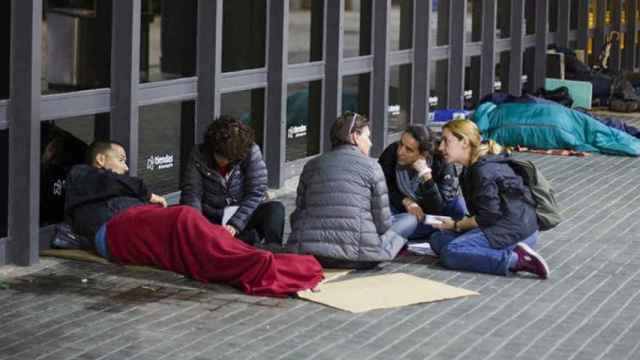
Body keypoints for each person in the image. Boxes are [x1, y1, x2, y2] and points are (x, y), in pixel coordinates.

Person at [64, 141, 323, 297]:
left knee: (196, 236)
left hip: (136, 222)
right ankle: (258, 262)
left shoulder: (113, 185)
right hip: (117, 227)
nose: (126, 166)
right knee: (185, 218)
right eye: (120, 159)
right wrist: (148, 194)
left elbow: (256, 188)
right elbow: (117, 182)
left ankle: (262, 257)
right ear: (100, 159)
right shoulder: (82, 175)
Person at [429, 119, 550, 279]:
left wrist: (457, 225)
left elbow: (488, 216)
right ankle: (488, 253)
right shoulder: (473, 166)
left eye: (446, 141)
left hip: (514, 231)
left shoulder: (483, 170)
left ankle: (517, 260)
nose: (441, 147)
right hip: (511, 227)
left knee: (450, 253)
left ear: (464, 142)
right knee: (438, 239)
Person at [288, 112, 411, 269]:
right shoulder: (372, 167)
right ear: (354, 136)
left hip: (309, 253)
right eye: (367, 137)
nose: (371, 143)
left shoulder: (311, 165)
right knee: (408, 220)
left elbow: (298, 214)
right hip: (358, 257)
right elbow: (383, 224)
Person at [180, 115, 285, 246]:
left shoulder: (251, 150)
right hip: (212, 218)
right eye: (220, 156)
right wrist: (198, 227)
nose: (224, 161)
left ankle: (273, 250)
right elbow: (192, 193)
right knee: (182, 214)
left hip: (243, 216)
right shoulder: (198, 154)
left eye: (228, 158)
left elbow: (256, 192)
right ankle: (245, 243)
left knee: (275, 209)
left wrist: (235, 224)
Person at [378, 125, 466, 240]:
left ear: (423, 154)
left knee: (457, 206)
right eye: (401, 144)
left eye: (409, 150)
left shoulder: (442, 162)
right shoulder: (392, 152)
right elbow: (381, 187)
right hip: (401, 209)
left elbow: (438, 208)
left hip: (431, 214)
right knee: (381, 207)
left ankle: (406, 231)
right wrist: (405, 201)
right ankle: (421, 231)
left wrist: (426, 176)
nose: (400, 152)